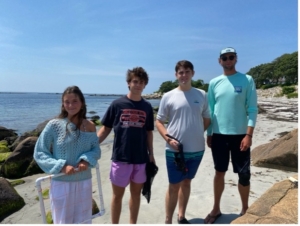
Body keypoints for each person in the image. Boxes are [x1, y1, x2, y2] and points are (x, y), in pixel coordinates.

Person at [204, 47, 258, 224]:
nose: (228, 60)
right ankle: (216, 208)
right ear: (219, 61)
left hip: (241, 135)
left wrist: (248, 135)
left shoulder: (247, 80)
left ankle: (245, 209)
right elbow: (211, 110)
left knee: (244, 174)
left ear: (236, 59)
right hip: (219, 135)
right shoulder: (214, 83)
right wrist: (209, 133)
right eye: (224, 58)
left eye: (231, 57)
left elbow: (252, 109)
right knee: (219, 172)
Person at [34, 86, 101, 224]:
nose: (71, 105)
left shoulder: (90, 126)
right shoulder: (54, 125)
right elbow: (40, 152)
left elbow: (96, 150)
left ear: (82, 102)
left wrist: (86, 160)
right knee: (62, 221)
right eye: (67, 102)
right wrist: (61, 166)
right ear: (63, 104)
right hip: (61, 182)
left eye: (75, 101)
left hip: (84, 181)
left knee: (84, 221)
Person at [97, 67, 155, 224]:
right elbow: (105, 128)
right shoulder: (117, 104)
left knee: (136, 195)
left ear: (145, 85)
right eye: (135, 81)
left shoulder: (147, 106)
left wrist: (151, 155)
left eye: (141, 82)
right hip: (121, 157)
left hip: (141, 158)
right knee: (117, 195)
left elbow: (149, 132)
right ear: (128, 83)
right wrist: (91, 145)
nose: (138, 85)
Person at [156, 60, 211, 224]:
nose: (184, 75)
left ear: (192, 73)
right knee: (174, 185)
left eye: (187, 71)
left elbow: (207, 119)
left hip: (197, 150)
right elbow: (159, 122)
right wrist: (168, 138)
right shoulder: (168, 96)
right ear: (176, 75)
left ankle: (181, 215)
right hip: (174, 151)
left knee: (187, 182)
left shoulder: (202, 95)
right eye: (181, 72)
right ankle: (168, 220)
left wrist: (196, 133)